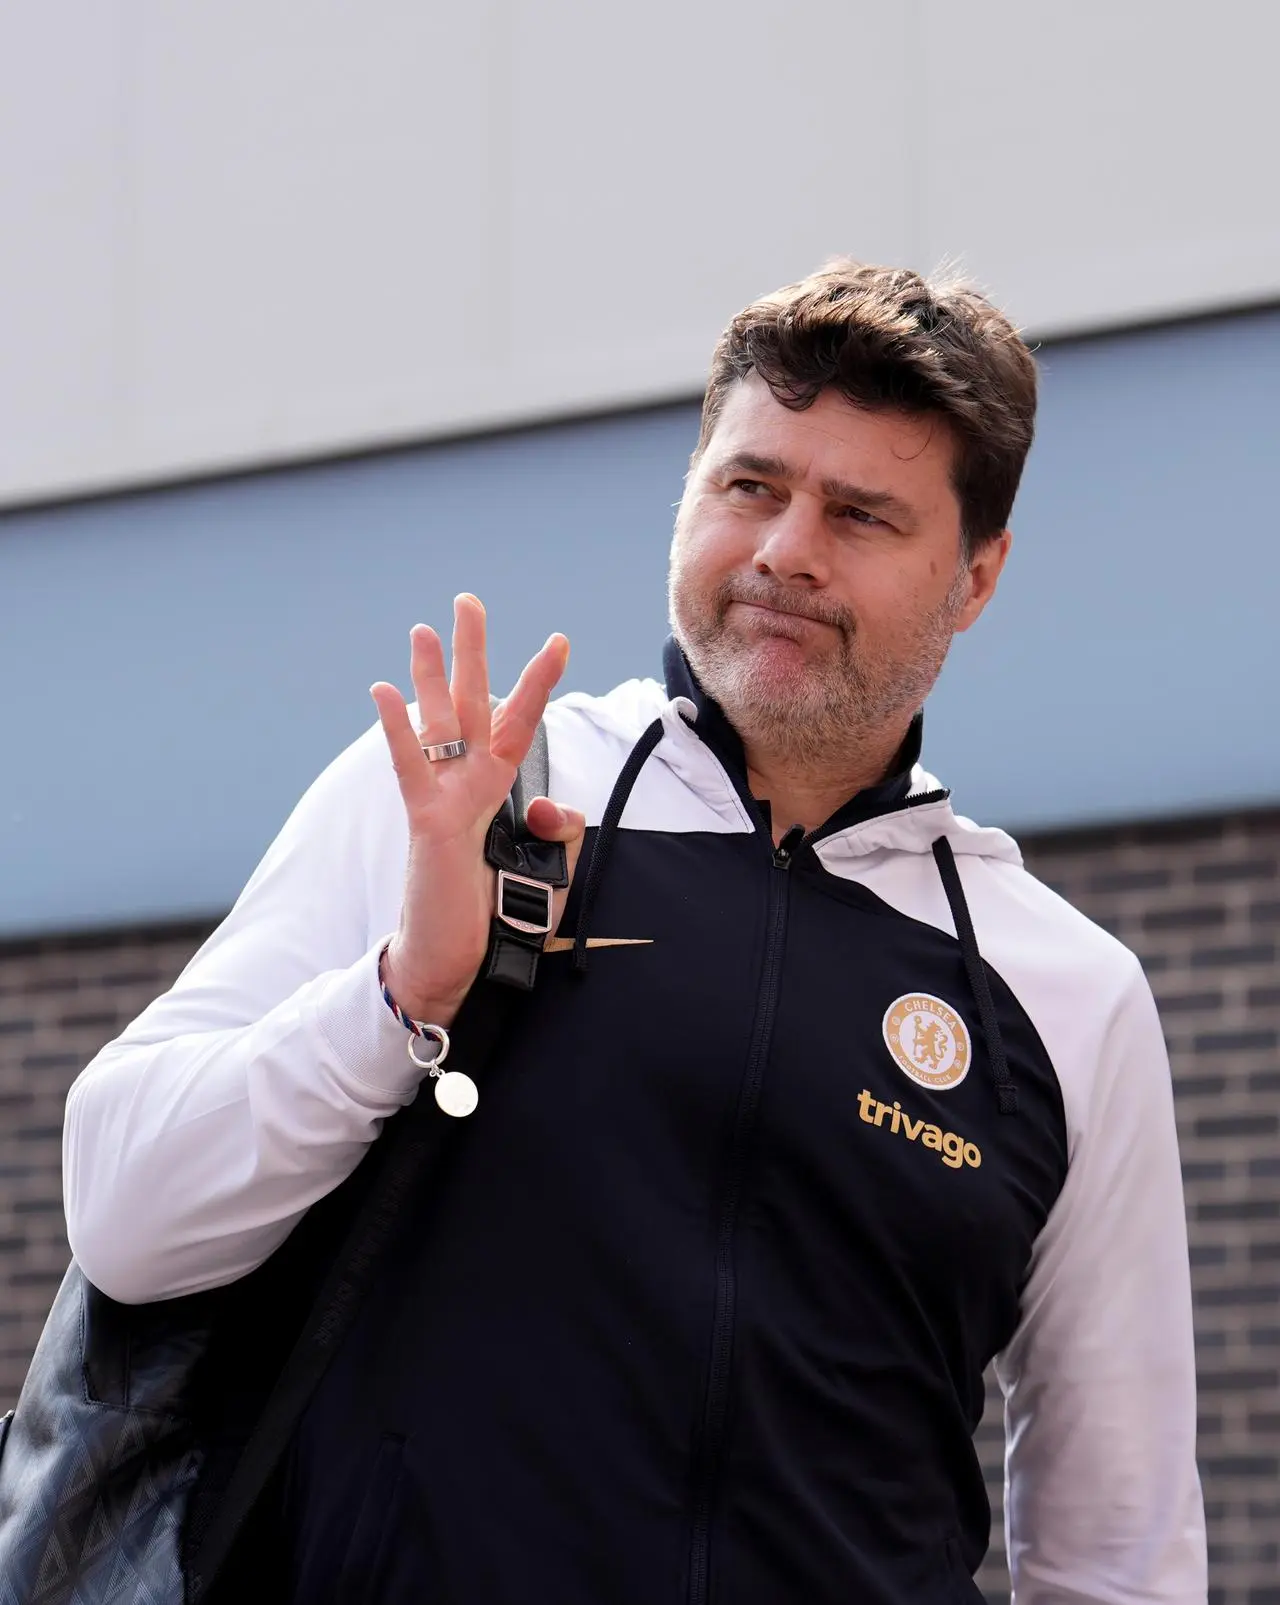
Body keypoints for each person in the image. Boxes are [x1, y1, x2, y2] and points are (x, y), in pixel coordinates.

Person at [62, 260, 1206, 1603]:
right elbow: (126, 1219)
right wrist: (397, 999)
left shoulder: (1067, 992)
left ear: (977, 577)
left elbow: (1118, 1548)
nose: (786, 549)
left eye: (862, 514)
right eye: (751, 486)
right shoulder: (468, 794)